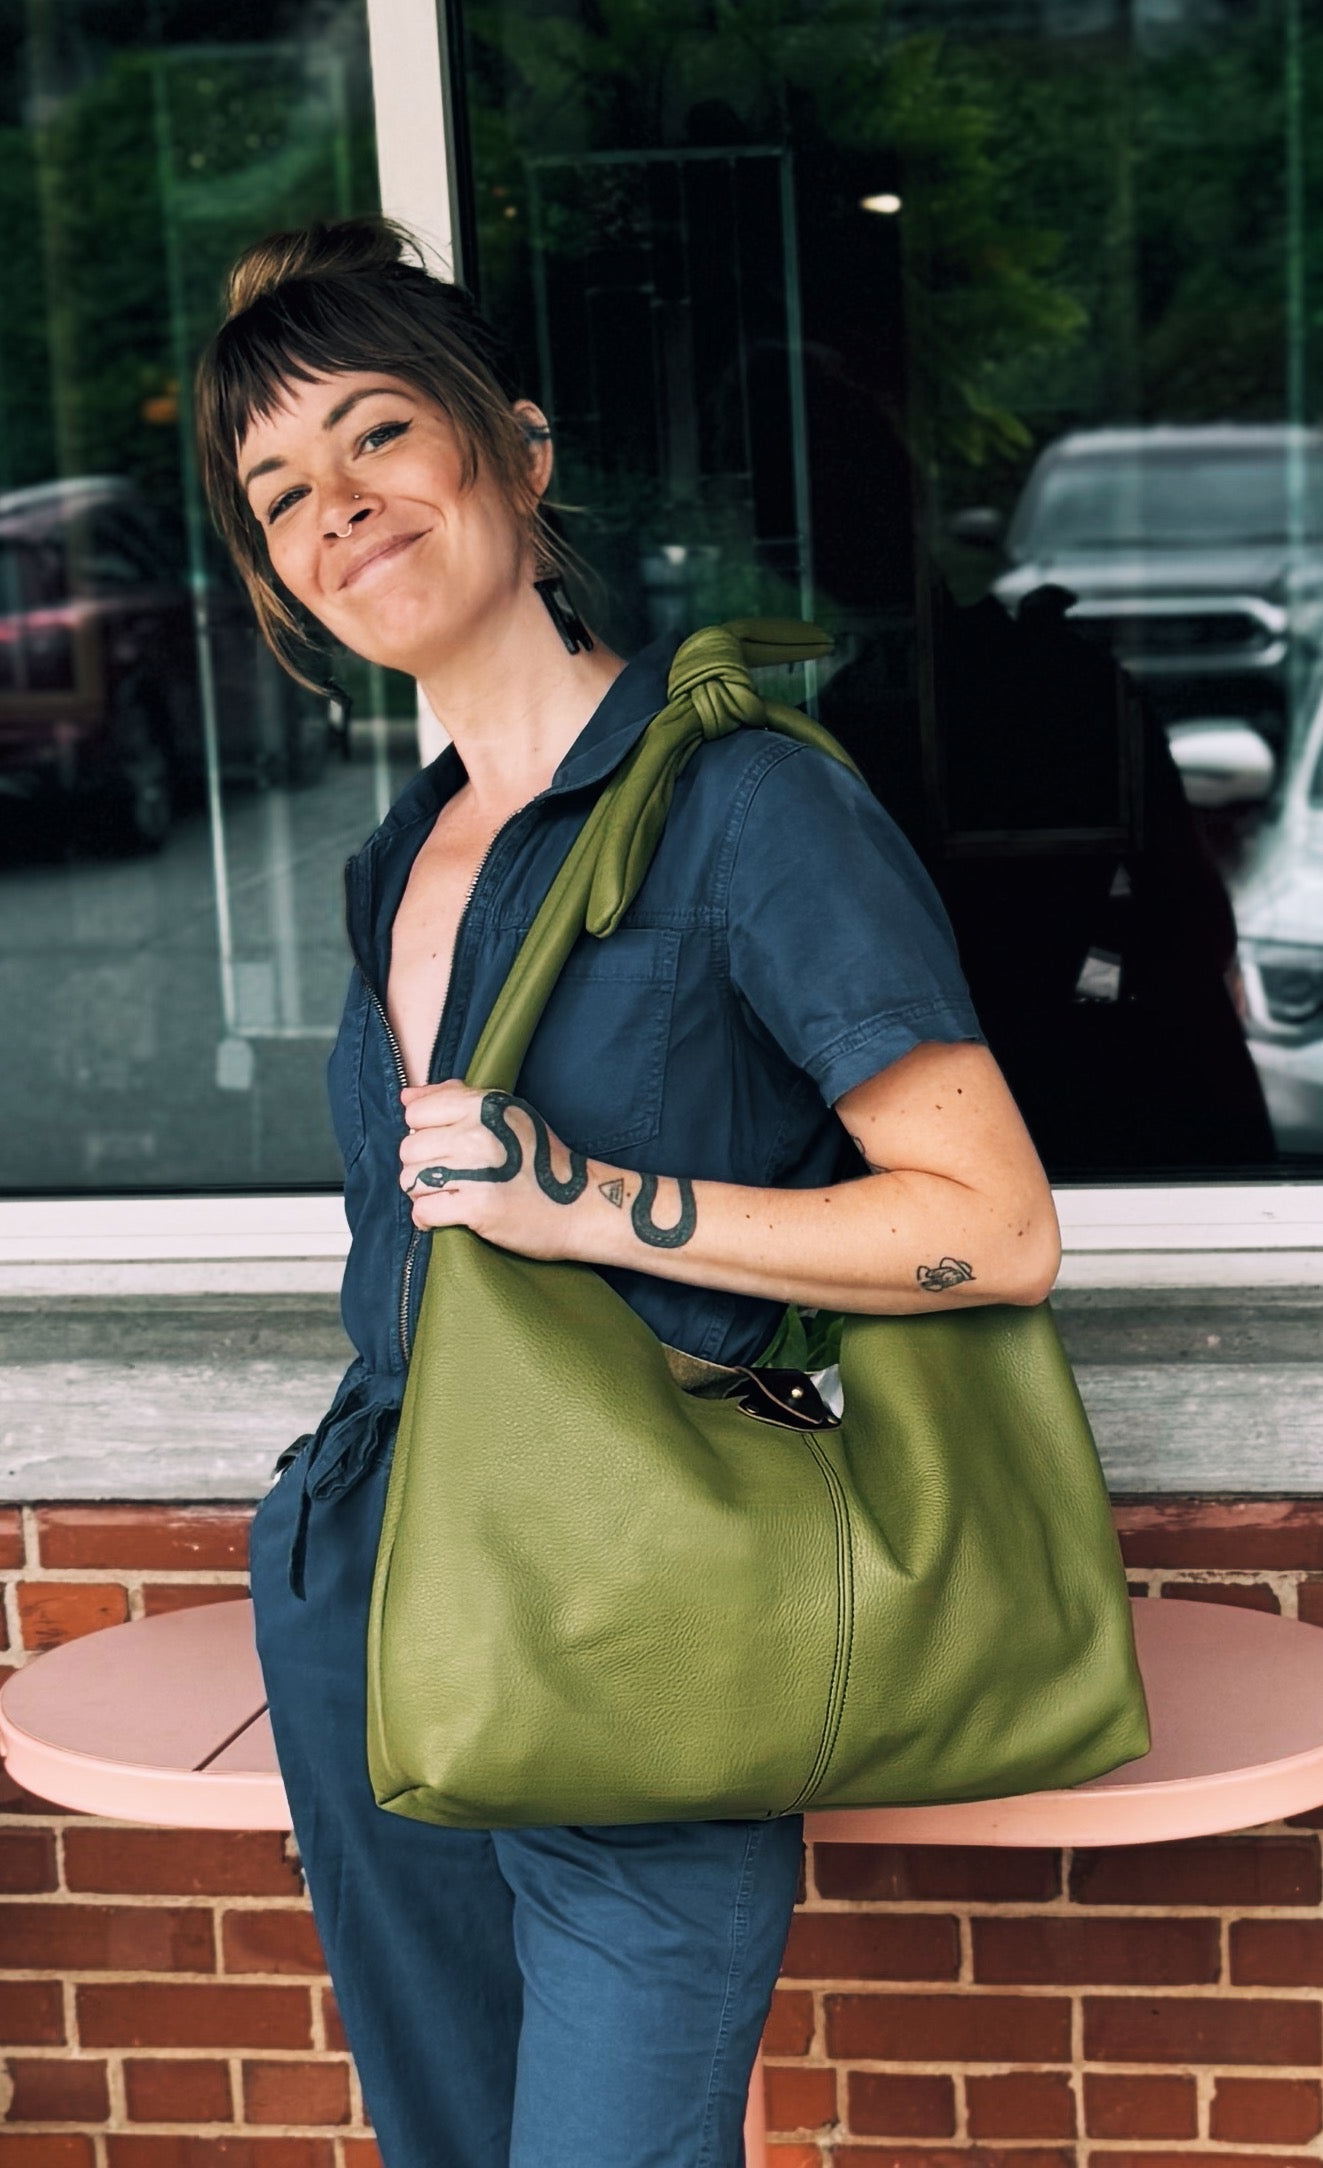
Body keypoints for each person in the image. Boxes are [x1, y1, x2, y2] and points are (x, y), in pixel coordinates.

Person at [194, 216, 1059, 2168]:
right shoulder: (398, 856)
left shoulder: (747, 802)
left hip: (640, 1602)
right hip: (379, 1607)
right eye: (281, 491)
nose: (338, 509)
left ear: (519, 450)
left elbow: (993, 1224)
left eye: (377, 435)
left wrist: (589, 1202)